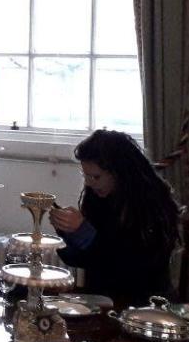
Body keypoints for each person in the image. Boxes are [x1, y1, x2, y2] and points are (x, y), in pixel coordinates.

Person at [48, 129, 179, 305]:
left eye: (96, 176)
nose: (88, 182)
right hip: (101, 297)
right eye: (85, 175)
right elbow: (86, 260)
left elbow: (132, 266)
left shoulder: (152, 203)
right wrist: (67, 233)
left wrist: (85, 233)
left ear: (119, 172)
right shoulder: (98, 196)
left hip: (143, 302)